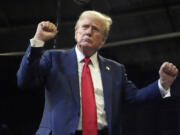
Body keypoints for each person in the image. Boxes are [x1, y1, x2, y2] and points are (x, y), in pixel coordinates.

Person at [17, 10, 179, 135]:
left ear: (103, 40)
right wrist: (38, 41)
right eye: (84, 27)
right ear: (76, 32)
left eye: (95, 29)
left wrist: (163, 83)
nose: (88, 32)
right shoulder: (54, 58)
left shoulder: (115, 69)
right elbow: (24, 80)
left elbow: (134, 98)